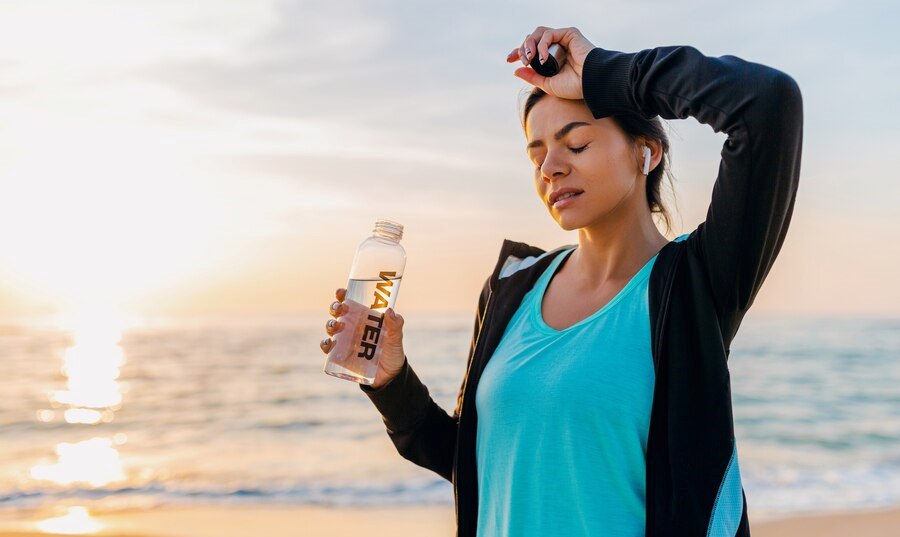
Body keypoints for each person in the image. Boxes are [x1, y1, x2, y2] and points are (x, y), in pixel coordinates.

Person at [321, 26, 802, 537]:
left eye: (576, 143)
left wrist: (603, 72)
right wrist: (391, 380)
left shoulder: (694, 284)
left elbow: (766, 104)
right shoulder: (512, 287)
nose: (551, 167)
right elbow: (476, 460)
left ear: (647, 151)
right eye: (536, 155)